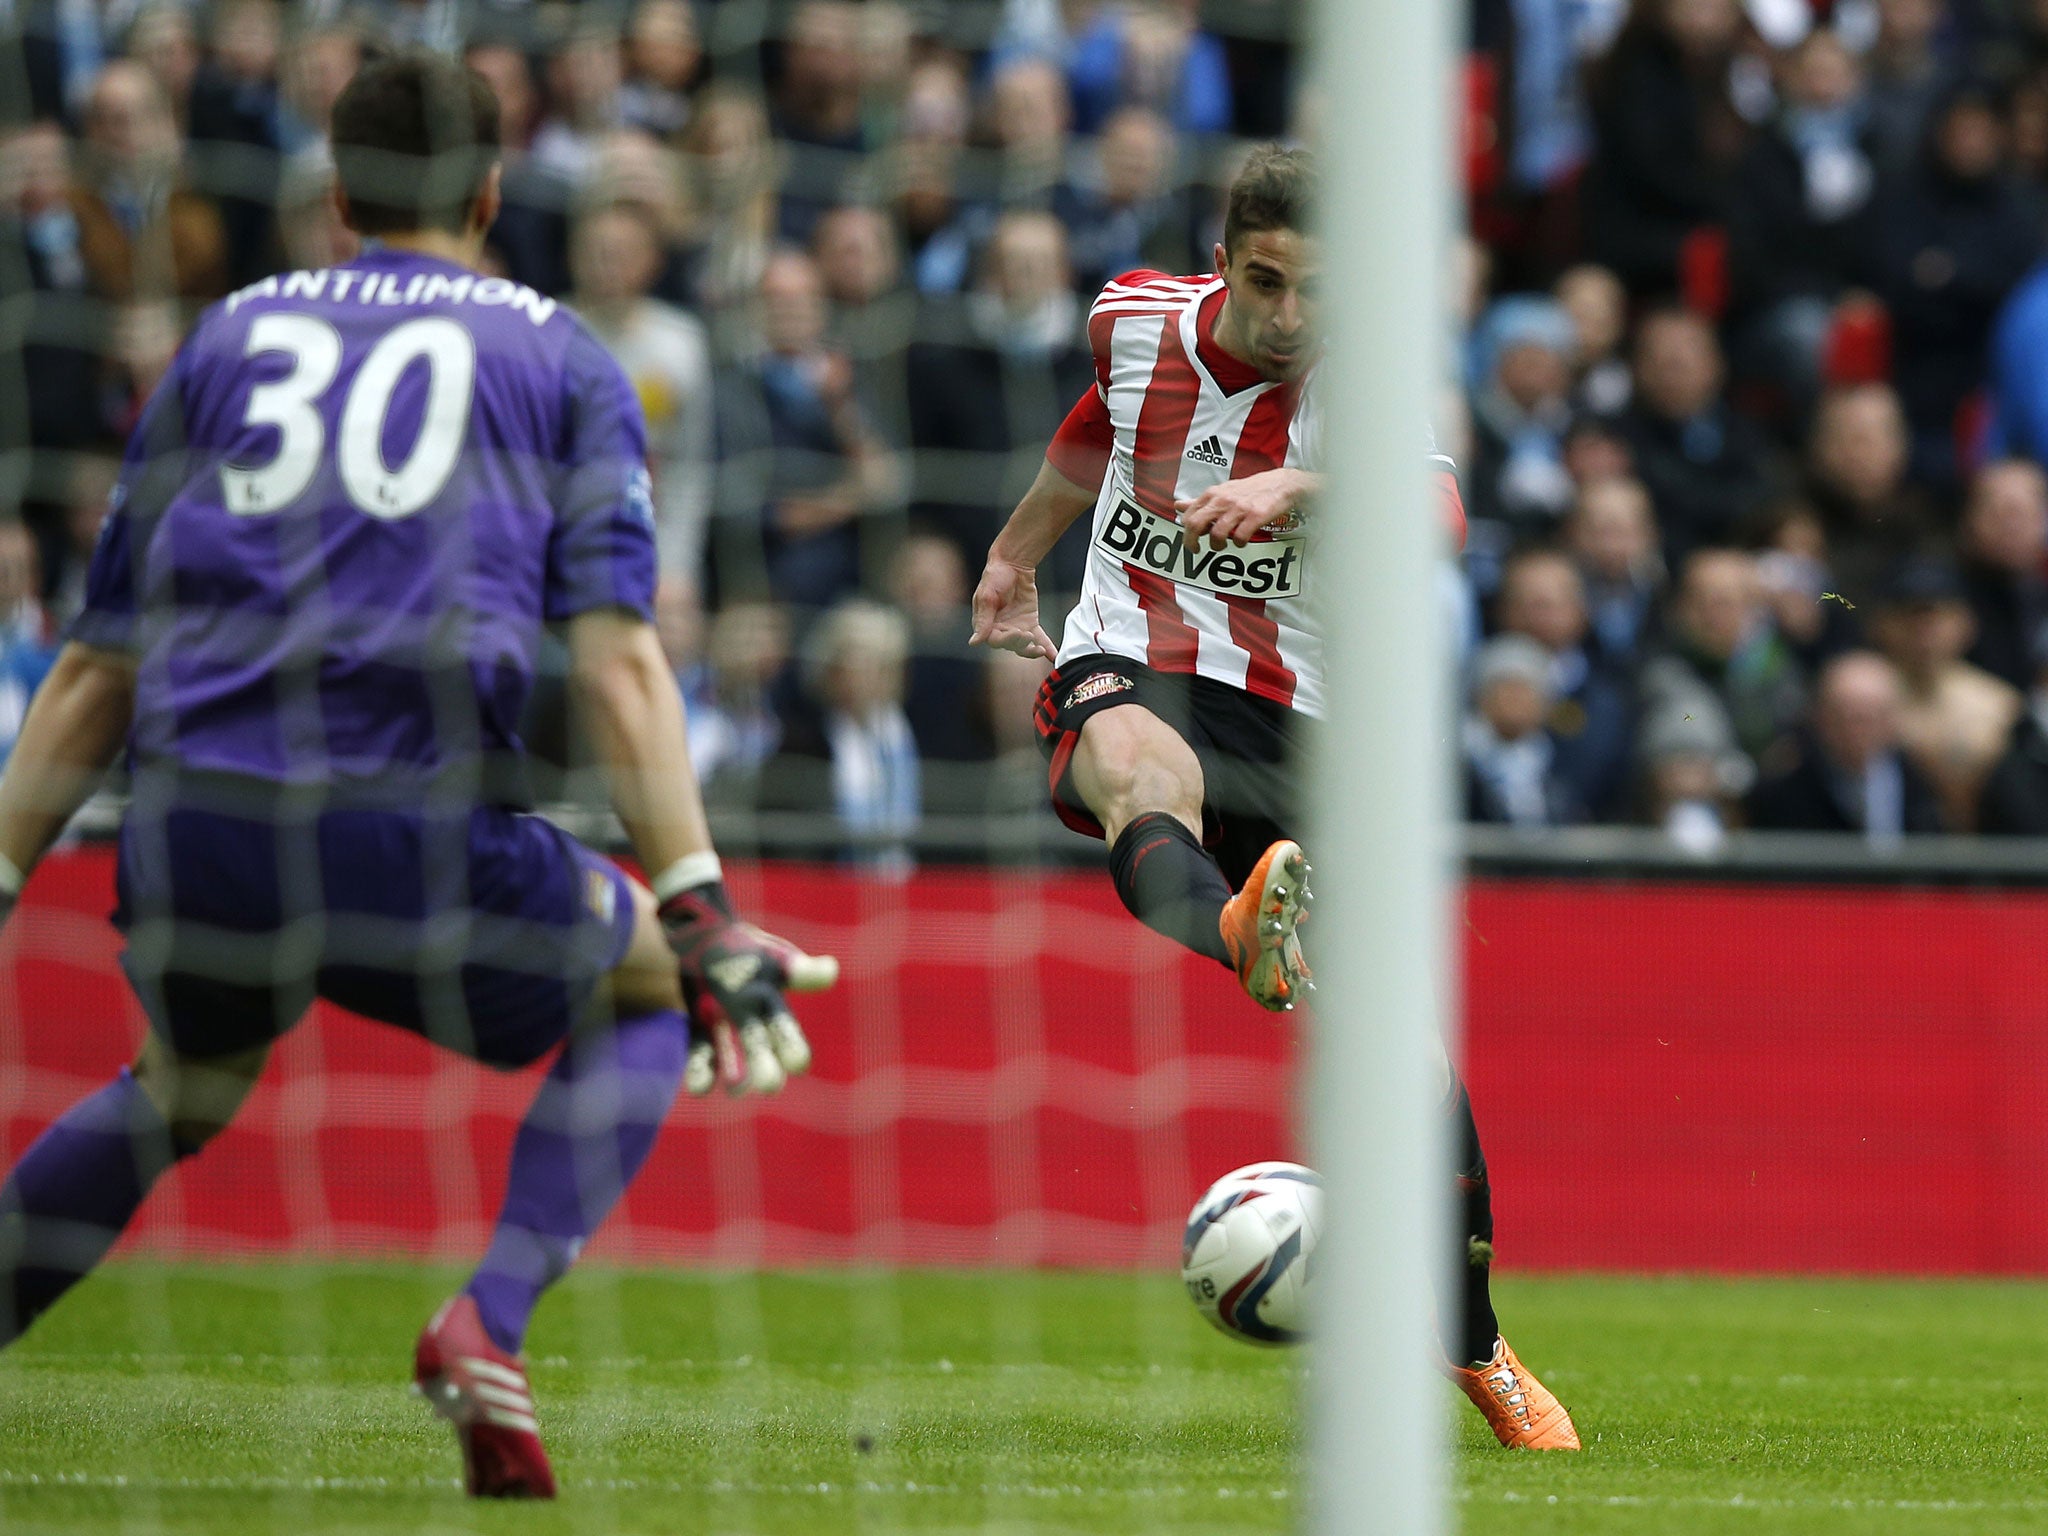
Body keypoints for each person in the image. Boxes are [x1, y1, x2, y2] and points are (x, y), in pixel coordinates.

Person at [0, 55, 837, 1501]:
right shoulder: (563, 357)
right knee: (652, 986)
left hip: (194, 822)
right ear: (495, 192)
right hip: (406, 819)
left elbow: (93, 665)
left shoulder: (226, 338)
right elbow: (624, 662)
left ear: (335, 195)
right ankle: (487, 1324)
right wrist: (698, 899)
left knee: (185, 1089)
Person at [968, 145, 1580, 1452]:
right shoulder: (1132, 320)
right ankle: (1241, 928)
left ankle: (1471, 1343)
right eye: (1266, 282)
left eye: (1315, 288)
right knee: (1138, 773)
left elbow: (1441, 515)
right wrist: (1015, 557)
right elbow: (1097, 432)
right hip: (1134, 648)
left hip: (1304, 713)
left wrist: (1297, 483)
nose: (1291, 314)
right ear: (1225, 256)